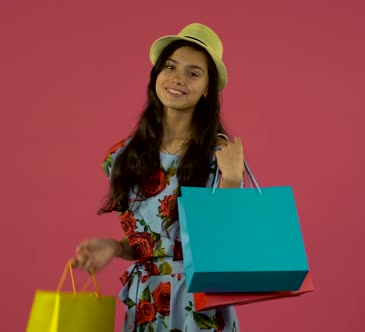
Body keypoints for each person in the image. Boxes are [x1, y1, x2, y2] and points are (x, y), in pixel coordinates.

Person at [71, 23, 244, 331]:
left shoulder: (218, 155)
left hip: (199, 307)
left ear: (207, 88)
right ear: (156, 77)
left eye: (193, 73)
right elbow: (150, 244)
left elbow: (227, 249)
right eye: (170, 67)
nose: (178, 78)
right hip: (146, 303)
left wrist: (231, 182)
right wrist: (114, 248)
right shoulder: (124, 157)